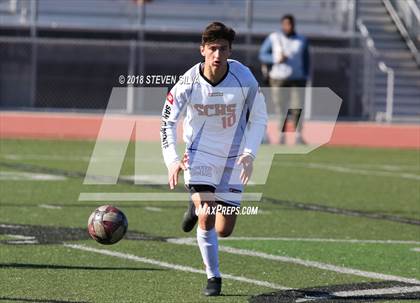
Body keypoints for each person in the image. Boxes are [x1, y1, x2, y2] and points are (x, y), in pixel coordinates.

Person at [160, 22, 267, 296]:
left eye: (223, 49)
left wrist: (249, 153)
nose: (217, 54)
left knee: (224, 229)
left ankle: (195, 206)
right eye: (212, 48)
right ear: (202, 50)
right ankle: (213, 277)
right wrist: (172, 160)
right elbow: (167, 122)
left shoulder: (244, 77)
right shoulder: (188, 81)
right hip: (199, 154)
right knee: (207, 215)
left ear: (230, 51)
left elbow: (259, 118)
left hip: (233, 157)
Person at [259, 14, 310, 144]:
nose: (289, 27)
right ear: (282, 25)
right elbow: (262, 55)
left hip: (297, 79)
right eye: (286, 24)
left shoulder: (301, 40)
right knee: (280, 108)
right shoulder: (274, 38)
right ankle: (281, 135)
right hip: (278, 78)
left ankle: (298, 135)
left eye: (291, 24)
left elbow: (306, 59)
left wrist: (306, 75)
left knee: (297, 107)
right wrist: (276, 59)